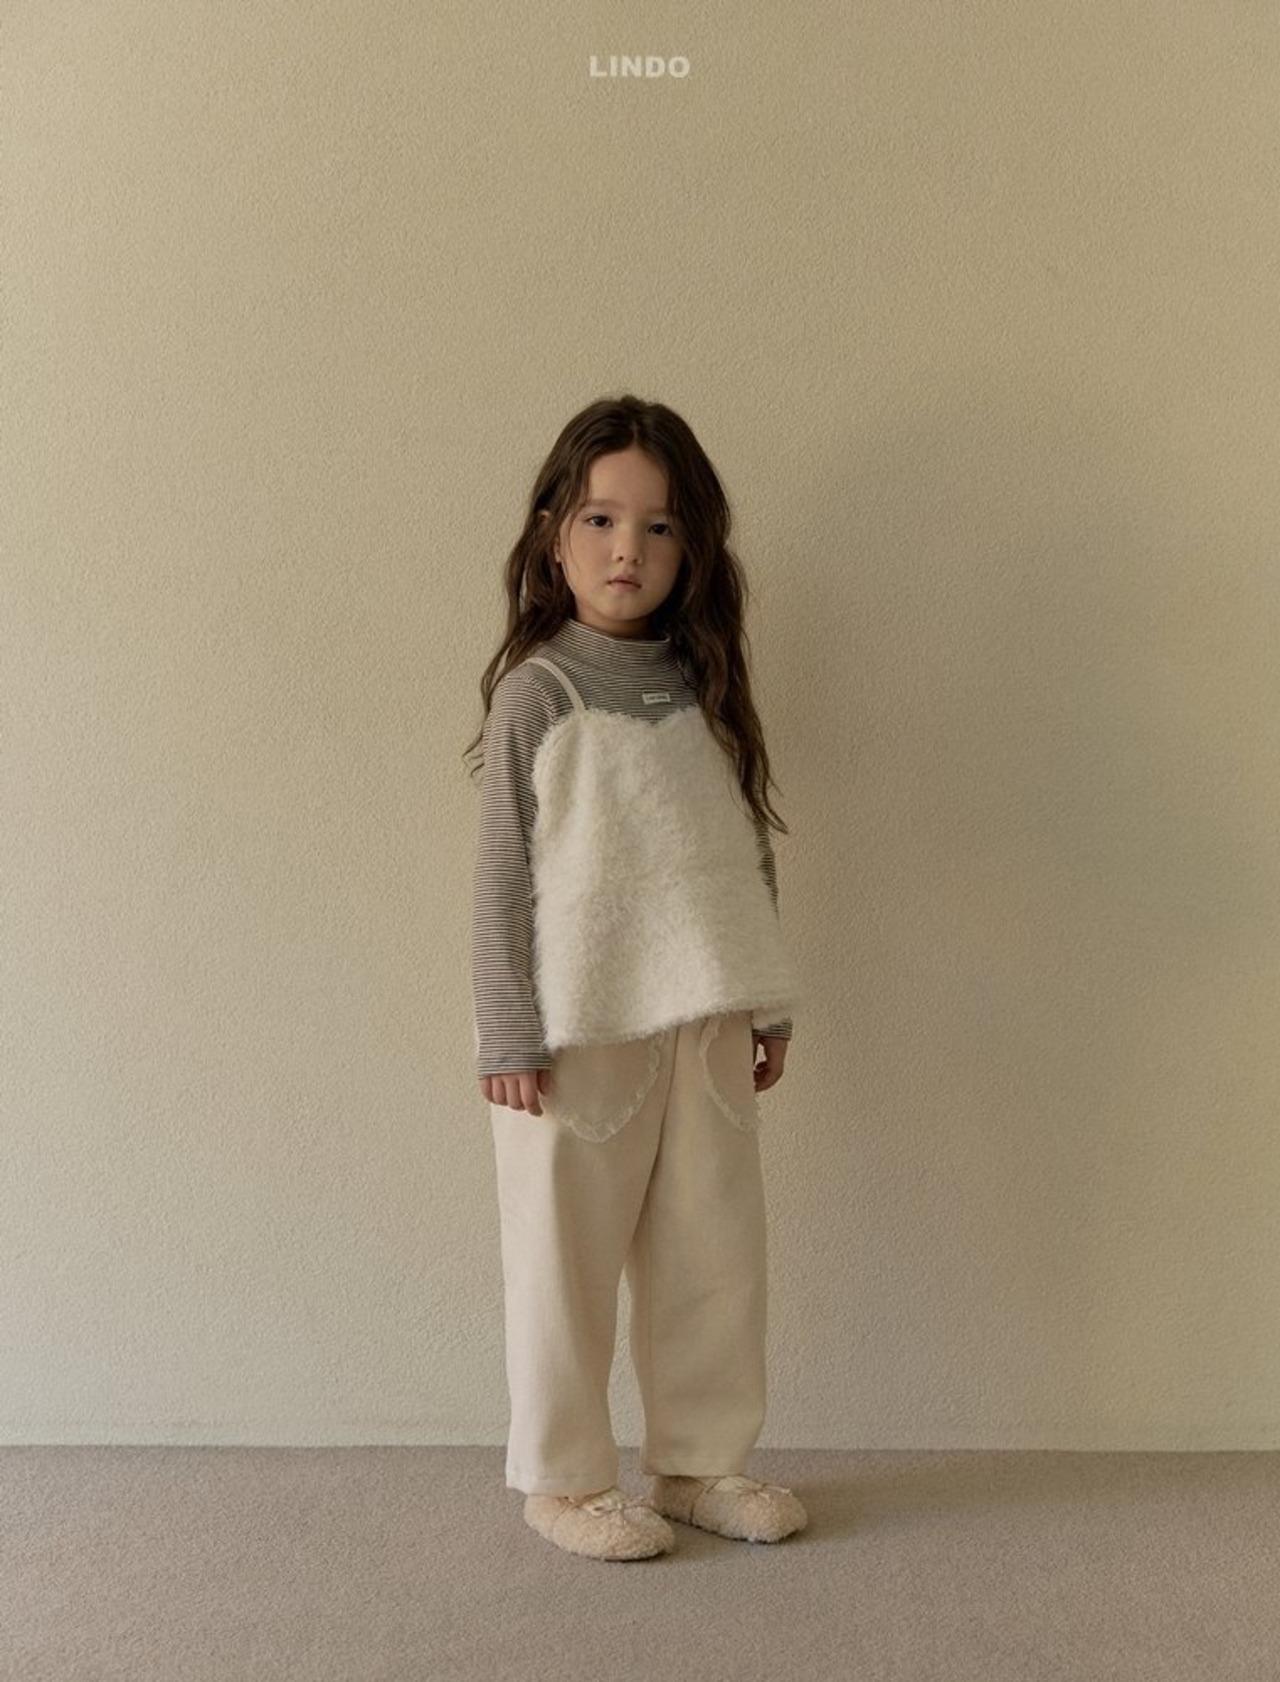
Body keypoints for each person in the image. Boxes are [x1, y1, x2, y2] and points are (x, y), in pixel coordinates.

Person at [464, 393, 808, 1561]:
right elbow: (502, 877)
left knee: (714, 1249)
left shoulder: (703, 685)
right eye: (602, 519)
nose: (628, 549)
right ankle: (562, 1479)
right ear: (553, 533)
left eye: (659, 526)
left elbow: (743, 852)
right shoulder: (539, 693)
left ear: (691, 545)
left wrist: (767, 1001)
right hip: (579, 1030)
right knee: (562, 1258)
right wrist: (506, 1033)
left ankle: (699, 1462)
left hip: (704, 1016)